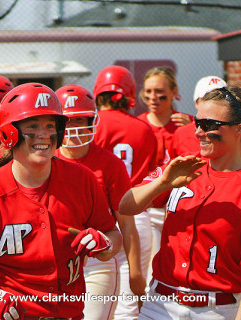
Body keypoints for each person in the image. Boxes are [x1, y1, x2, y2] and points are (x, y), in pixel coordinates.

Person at [0, 83, 122, 320]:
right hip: (5, 314)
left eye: (50, 125)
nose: (44, 134)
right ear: (9, 132)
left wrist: (106, 243)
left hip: (66, 313)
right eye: (32, 126)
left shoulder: (82, 179)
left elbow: (112, 235)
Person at [120, 85, 241, 319]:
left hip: (217, 309)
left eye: (210, 125)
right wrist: (162, 183)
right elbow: (126, 206)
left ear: (240, 129)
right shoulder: (183, 166)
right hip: (160, 305)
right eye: (197, 122)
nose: (198, 132)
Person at [54, 84, 145, 320]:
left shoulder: (109, 164)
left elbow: (126, 224)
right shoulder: (45, 160)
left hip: (98, 259)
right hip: (54, 260)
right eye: (68, 122)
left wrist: (134, 272)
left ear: (91, 121)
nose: (73, 129)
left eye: (80, 121)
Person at [93, 65, 157, 319]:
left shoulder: (92, 124)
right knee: (129, 299)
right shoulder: (143, 128)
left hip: (99, 216)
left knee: (95, 289)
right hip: (136, 214)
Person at [137, 66, 194, 288]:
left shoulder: (187, 122)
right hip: (150, 206)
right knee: (149, 266)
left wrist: (193, 129)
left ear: (174, 92)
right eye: (148, 91)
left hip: (181, 205)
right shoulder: (139, 124)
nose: (153, 97)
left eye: (160, 92)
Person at [170, 75, 227, 159]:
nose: (214, 102)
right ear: (197, 103)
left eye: (219, 98)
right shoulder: (182, 134)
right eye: (207, 98)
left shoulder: (232, 129)